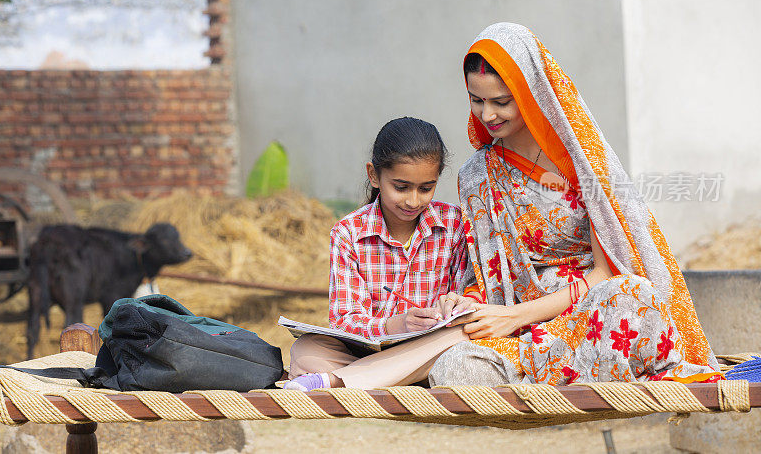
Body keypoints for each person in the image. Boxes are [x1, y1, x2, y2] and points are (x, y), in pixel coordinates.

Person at [428, 23, 721, 386]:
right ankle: (572, 375)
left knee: (631, 294)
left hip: (590, 312)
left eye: (502, 102)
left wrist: (516, 316)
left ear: (531, 92)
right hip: (522, 336)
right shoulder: (478, 175)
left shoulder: (579, 160)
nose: (488, 115)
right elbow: (488, 274)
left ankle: (549, 379)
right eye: (477, 100)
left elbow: (605, 273)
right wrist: (467, 303)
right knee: (455, 368)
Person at [284, 117, 472, 391]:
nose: (413, 201)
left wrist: (455, 305)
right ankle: (398, 377)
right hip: (371, 354)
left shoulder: (454, 223)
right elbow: (345, 320)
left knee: (461, 336)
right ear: (374, 175)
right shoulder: (348, 232)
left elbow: (465, 299)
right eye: (401, 187)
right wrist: (396, 325)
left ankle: (337, 381)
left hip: (434, 346)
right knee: (306, 350)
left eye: (426, 188)